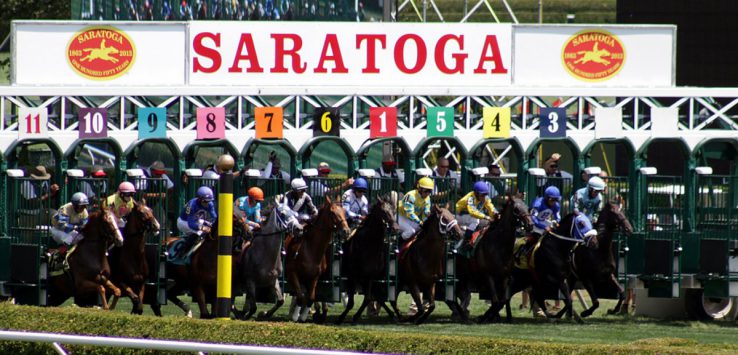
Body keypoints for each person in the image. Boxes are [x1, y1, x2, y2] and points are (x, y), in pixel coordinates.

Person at [176, 186, 218, 257]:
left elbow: (214, 217)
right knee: (199, 232)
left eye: (209, 201)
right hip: (184, 222)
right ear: (199, 199)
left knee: (209, 226)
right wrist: (203, 228)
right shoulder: (192, 205)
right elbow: (191, 224)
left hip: (196, 220)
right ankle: (183, 251)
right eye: (205, 201)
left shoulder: (210, 204)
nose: (207, 203)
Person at [455, 181, 497, 250]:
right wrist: (487, 217)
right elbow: (473, 212)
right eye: (482, 195)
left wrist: (496, 214)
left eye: (486, 194)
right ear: (476, 193)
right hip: (458, 215)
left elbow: (491, 207)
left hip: (467, 216)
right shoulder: (470, 197)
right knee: (476, 220)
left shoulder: (485, 198)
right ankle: (466, 240)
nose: (484, 197)